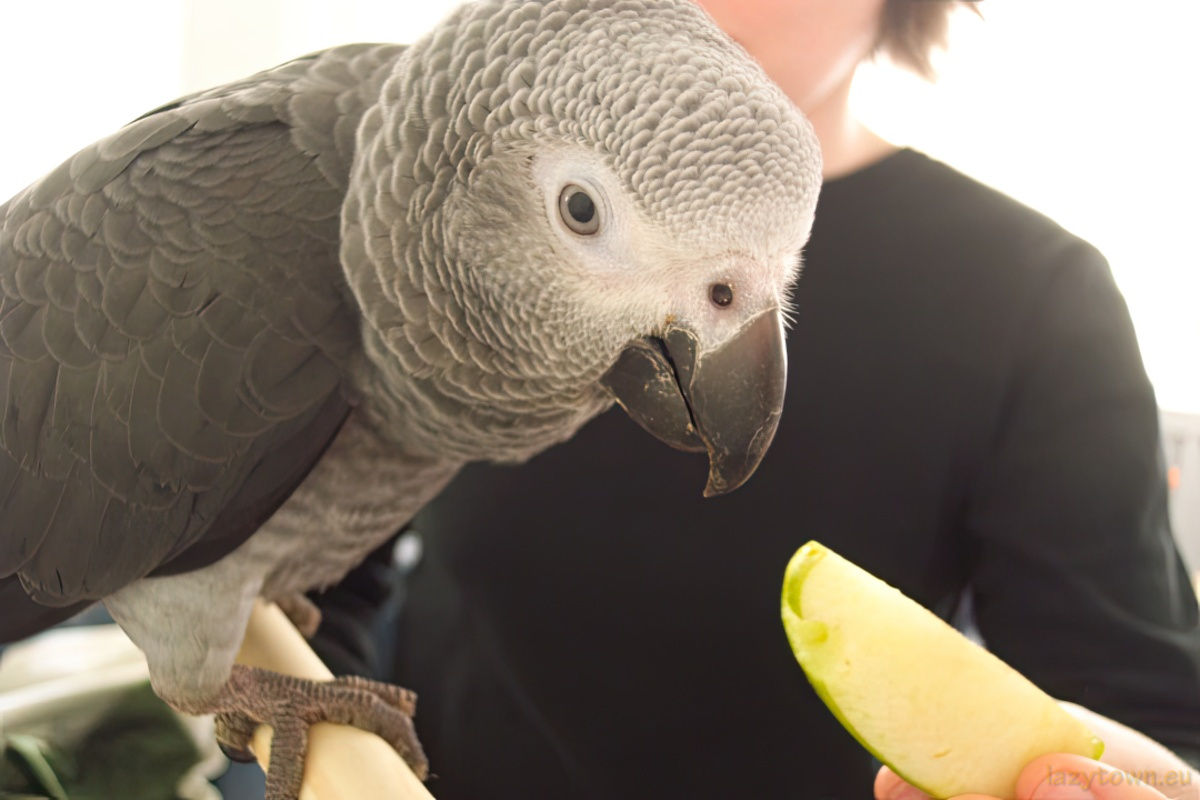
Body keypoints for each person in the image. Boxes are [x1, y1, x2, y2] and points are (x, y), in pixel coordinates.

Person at [313, 1, 1200, 798]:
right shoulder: (458, 197)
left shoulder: (1034, 296)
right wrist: (334, 760)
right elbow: (325, 575)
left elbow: (1133, 717)